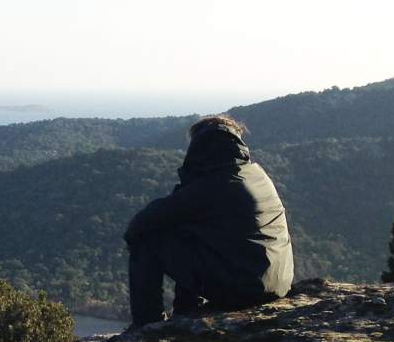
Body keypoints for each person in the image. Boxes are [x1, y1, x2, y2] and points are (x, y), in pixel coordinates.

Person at [123, 114, 294, 327]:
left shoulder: (214, 184)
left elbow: (139, 225)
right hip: (275, 283)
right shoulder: (255, 174)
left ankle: (146, 326)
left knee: (148, 242)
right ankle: (186, 311)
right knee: (191, 231)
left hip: (244, 290)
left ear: (201, 146)